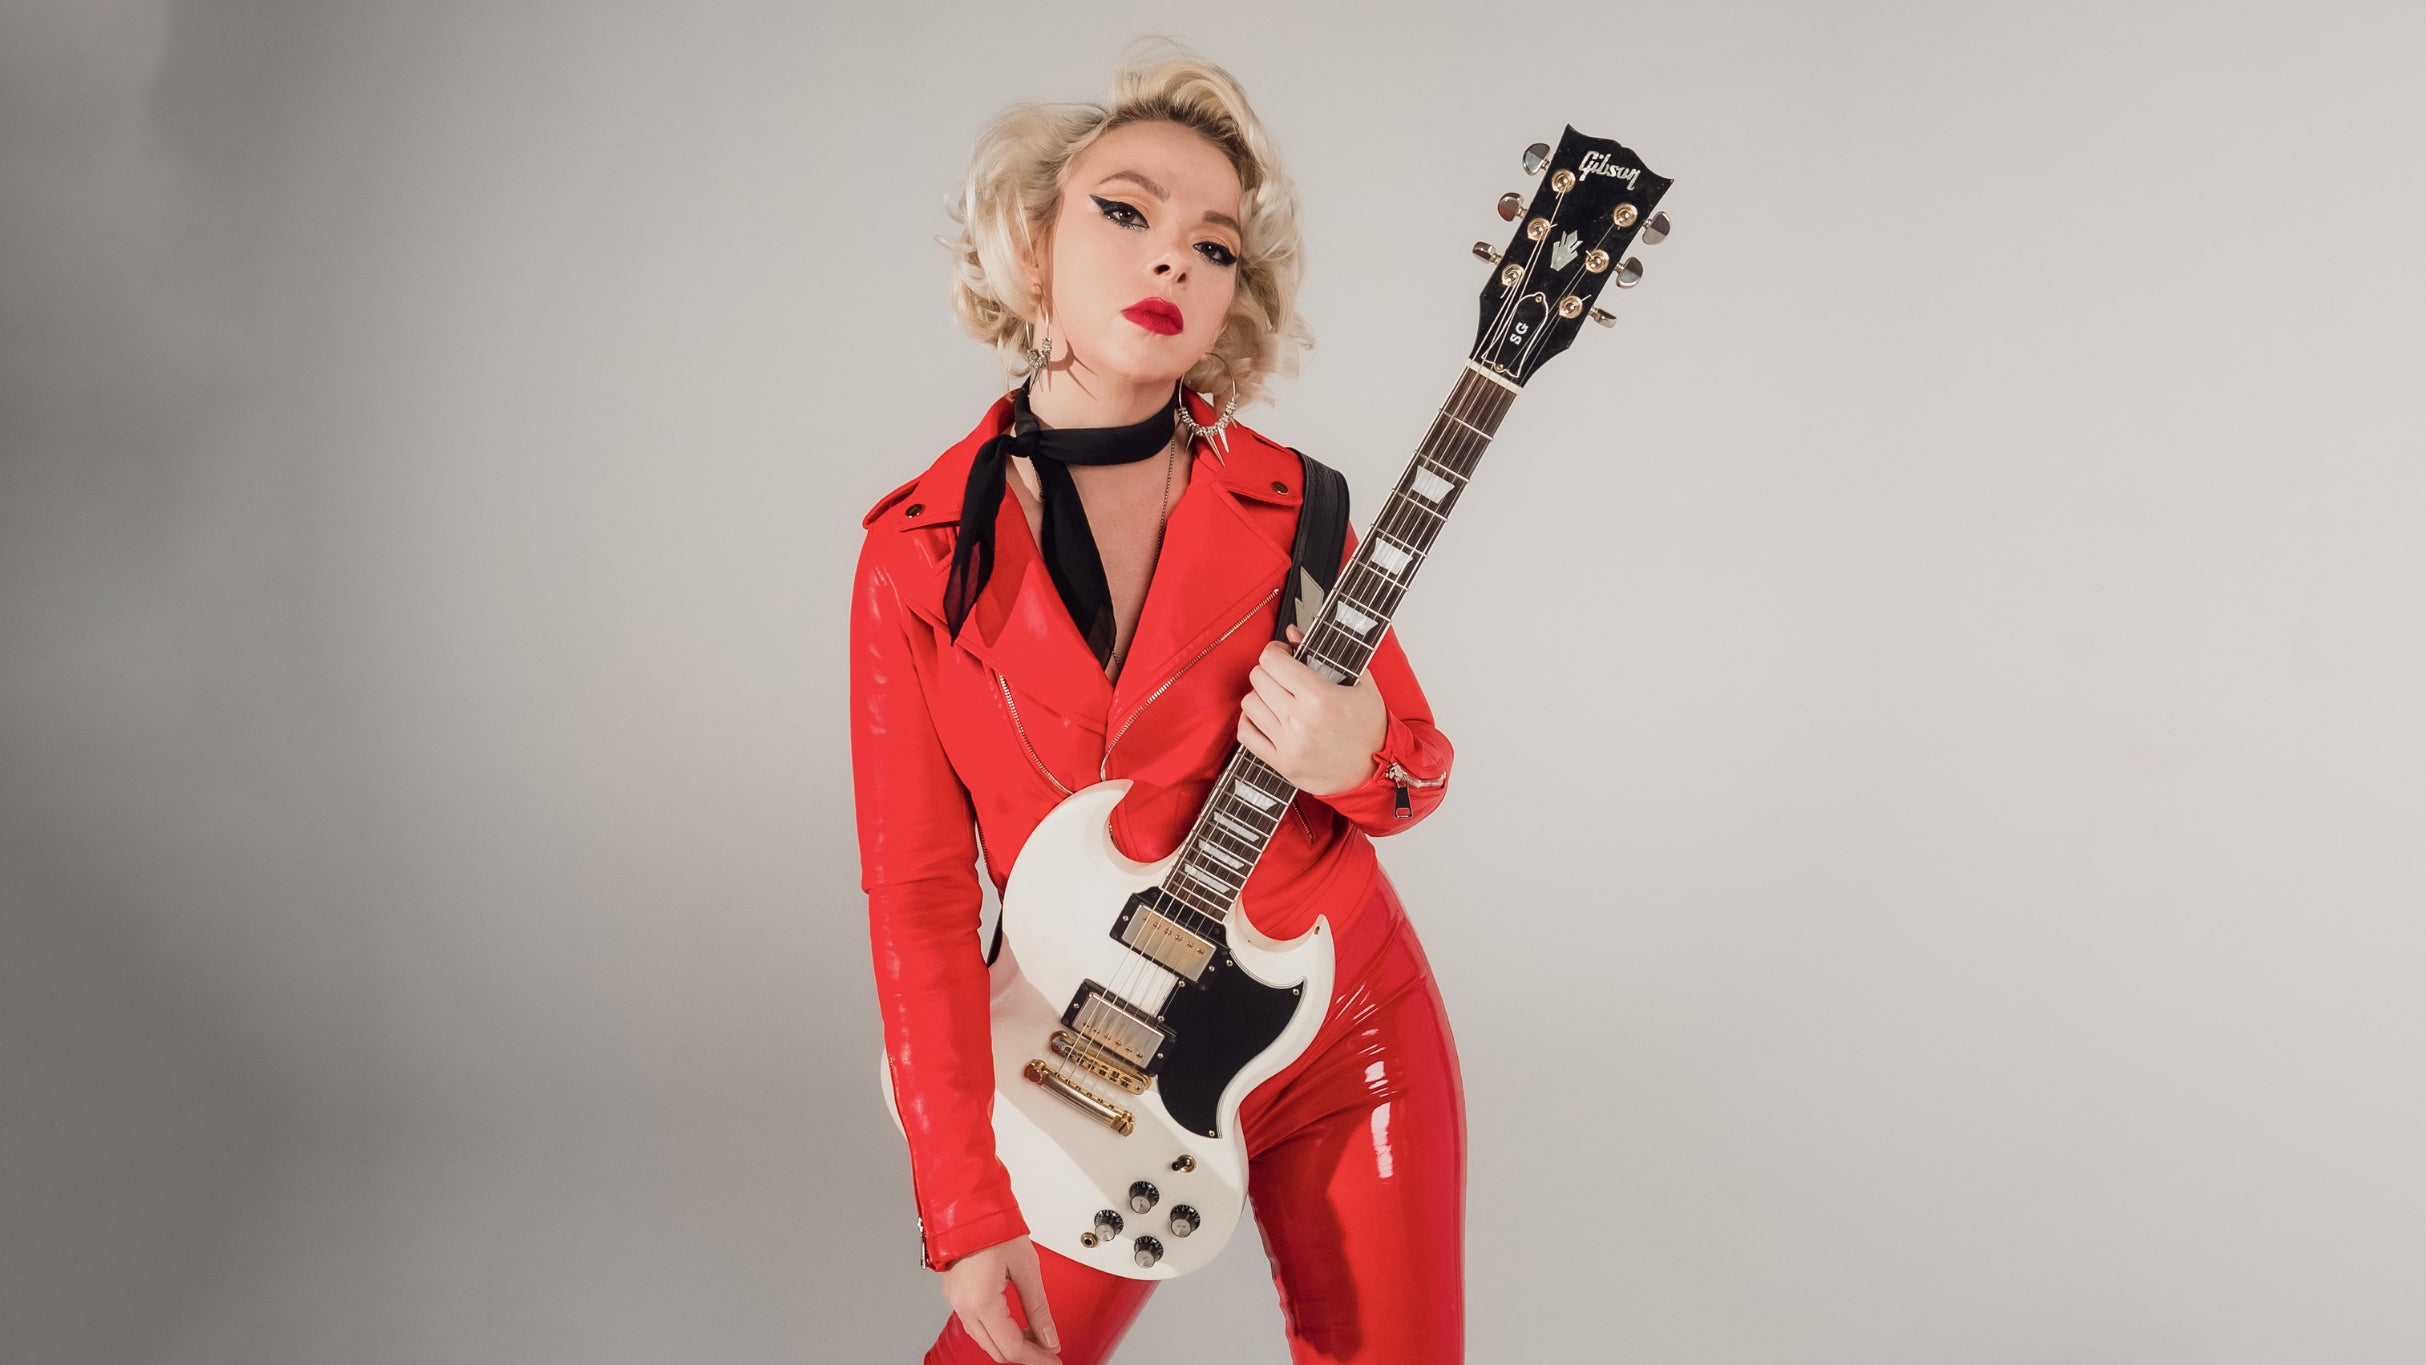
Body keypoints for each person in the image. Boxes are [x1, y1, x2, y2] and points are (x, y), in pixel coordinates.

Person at [849, 40, 1466, 1365]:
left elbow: (1414, 769)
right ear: (1032, 250)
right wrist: (963, 1203)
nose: (1171, 260)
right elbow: (916, 898)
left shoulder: (1296, 508)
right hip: (1093, 1057)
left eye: (1213, 245)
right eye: (1125, 213)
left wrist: (1360, 755)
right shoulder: (915, 557)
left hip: (1342, 1027)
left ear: (1234, 296)